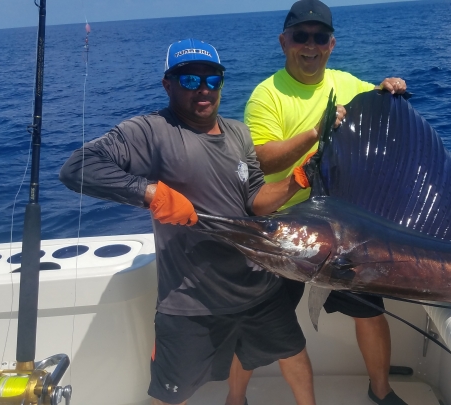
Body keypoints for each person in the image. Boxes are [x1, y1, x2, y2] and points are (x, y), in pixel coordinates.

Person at [60, 39, 316, 405]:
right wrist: (151, 194)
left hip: (259, 288)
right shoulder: (151, 131)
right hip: (192, 300)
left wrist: (296, 181)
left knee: (295, 356)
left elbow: (255, 201)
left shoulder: (239, 133)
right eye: (190, 80)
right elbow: (78, 167)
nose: (203, 90)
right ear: (168, 84)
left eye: (212, 80)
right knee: (169, 396)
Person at [243, 1, 409, 404]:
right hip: (284, 228)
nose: (310, 46)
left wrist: (389, 89)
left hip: (340, 230)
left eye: (319, 38)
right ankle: (235, 398)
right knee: (253, 319)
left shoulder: (346, 83)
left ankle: (381, 391)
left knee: (370, 311)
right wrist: (314, 134)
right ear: (284, 42)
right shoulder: (267, 95)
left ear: (332, 44)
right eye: (301, 37)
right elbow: (263, 158)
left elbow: (381, 105)